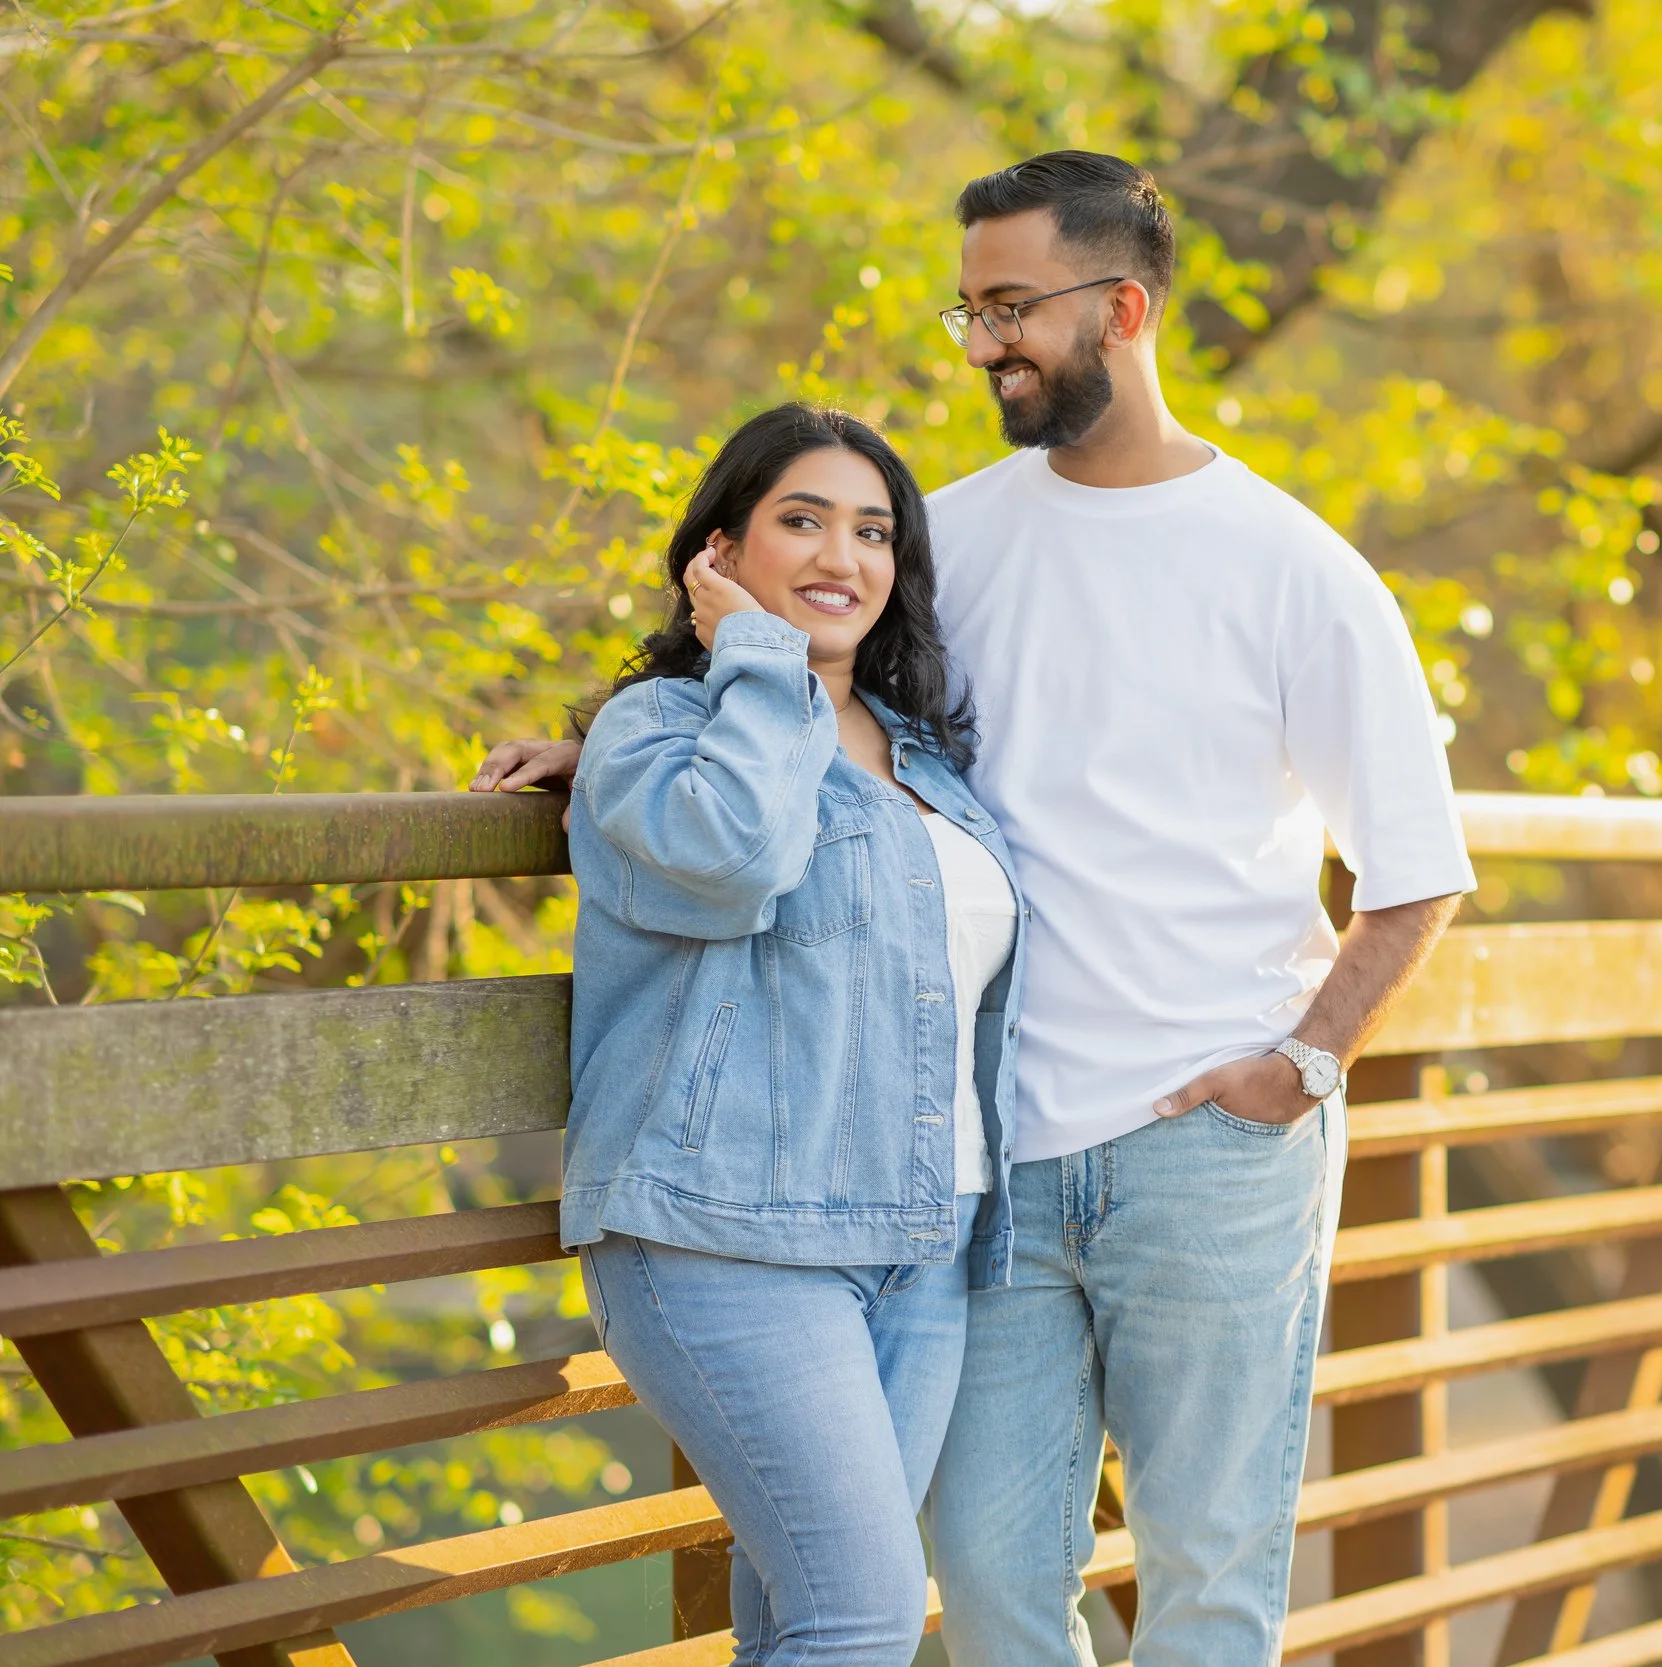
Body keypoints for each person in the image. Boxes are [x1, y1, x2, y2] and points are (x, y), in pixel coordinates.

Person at [474, 151, 1473, 1665]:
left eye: (1012, 307)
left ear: (1123, 307)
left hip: (1210, 1146)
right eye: (970, 311)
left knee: (1205, 1580)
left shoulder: (1297, 569)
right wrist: (610, 735)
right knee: (994, 1591)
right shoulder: (947, 535)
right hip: (981, 1176)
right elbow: (809, 698)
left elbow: (1418, 872)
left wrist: (1303, 1066)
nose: (984, 342)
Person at [558, 403, 1023, 1667]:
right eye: (801, 520)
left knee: (801, 1618)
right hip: (723, 1234)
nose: (842, 556)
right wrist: (755, 661)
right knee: (860, 1613)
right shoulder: (660, 728)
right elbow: (730, 860)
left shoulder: (925, 754)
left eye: (873, 530)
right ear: (719, 552)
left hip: (923, 1236)